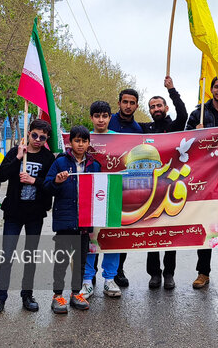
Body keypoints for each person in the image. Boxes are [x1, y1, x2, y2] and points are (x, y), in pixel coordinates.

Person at [0, 119, 55, 316]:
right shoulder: (17, 151)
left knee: (30, 256)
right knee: (7, 255)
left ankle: (27, 295)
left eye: (42, 137)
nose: (37, 140)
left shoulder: (48, 157)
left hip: (35, 214)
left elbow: (50, 186)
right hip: (14, 213)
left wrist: (34, 180)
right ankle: (0, 298)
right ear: (29, 133)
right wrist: (17, 158)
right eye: (34, 135)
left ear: (46, 139)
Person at [186, 75, 218, 289]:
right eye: (216, 86)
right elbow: (184, 138)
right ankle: (203, 273)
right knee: (207, 224)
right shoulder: (198, 112)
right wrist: (195, 132)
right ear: (211, 89)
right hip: (204, 176)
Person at [44, 126, 99, 313]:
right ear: (70, 142)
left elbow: (100, 191)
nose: (81, 144)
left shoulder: (94, 165)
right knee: (61, 260)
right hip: (65, 219)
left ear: (89, 143)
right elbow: (47, 187)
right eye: (77, 141)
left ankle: (76, 293)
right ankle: (57, 295)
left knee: (81, 260)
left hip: (84, 221)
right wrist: (57, 182)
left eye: (84, 141)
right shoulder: (60, 162)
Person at [140, 76, 188, 290]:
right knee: (152, 234)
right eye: (152, 106)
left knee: (170, 234)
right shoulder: (145, 130)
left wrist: (172, 89)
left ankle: (169, 274)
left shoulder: (176, 126)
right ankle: (154, 274)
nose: (156, 109)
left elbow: (184, 113)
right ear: (149, 110)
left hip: (172, 186)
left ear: (166, 107)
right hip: (150, 189)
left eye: (159, 105)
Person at [81, 101, 121, 299]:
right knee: (90, 238)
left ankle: (109, 279)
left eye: (105, 116)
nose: (101, 119)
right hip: (90, 195)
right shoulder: (83, 139)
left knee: (112, 237)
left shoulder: (121, 139)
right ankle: (87, 280)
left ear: (110, 117)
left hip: (114, 194)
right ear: (91, 118)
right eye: (97, 116)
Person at [108, 89, 143, 287]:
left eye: (132, 102)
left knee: (123, 229)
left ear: (137, 105)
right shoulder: (107, 121)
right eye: (125, 102)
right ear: (119, 102)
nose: (128, 105)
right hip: (104, 183)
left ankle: (118, 270)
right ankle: (92, 271)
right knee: (99, 228)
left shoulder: (138, 130)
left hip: (126, 185)